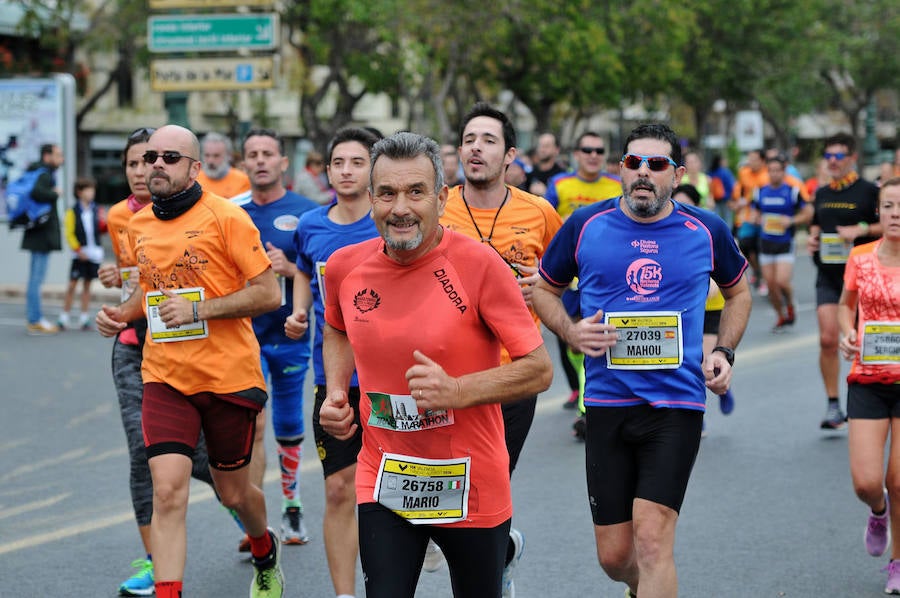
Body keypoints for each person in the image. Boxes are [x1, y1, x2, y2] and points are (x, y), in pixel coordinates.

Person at [318, 131, 552, 598]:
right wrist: (337, 392)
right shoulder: (345, 267)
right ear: (370, 199)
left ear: (441, 198)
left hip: (470, 479)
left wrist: (457, 392)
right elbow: (338, 327)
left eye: (415, 192)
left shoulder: (480, 265)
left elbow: (539, 368)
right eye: (386, 193)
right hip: (385, 474)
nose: (399, 207)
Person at [533, 123, 751, 598]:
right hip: (607, 406)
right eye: (634, 163)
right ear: (621, 170)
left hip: (677, 407)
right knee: (615, 557)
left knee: (653, 541)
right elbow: (544, 290)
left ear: (677, 173)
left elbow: (738, 295)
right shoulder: (585, 224)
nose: (644, 173)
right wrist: (570, 330)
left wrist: (722, 351)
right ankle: (638, 588)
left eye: (656, 164)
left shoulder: (705, 229)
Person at [95, 124, 285, 598]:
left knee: (234, 494)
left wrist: (200, 309)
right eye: (151, 156)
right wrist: (120, 313)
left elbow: (267, 293)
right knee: (168, 491)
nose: (156, 164)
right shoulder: (138, 224)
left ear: (195, 167)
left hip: (227, 377)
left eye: (170, 157)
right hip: (164, 375)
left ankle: (264, 549)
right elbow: (147, 290)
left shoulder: (228, 218)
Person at [96, 126, 228, 598]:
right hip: (139, 348)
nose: (141, 170)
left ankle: (237, 501)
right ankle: (157, 563)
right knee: (144, 454)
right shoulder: (121, 217)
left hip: (198, 351)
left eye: (149, 160)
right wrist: (116, 291)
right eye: (134, 162)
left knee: (194, 461)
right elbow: (137, 282)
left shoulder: (206, 211)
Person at [440, 102, 562, 597]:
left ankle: (494, 569)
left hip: (513, 373)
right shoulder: (437, 205)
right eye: (469, 138)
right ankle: (494, 552)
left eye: (488, 140)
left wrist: (547, 288)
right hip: (445, 376)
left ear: (509, 154)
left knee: (490, 484)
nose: (476, 147)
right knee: (450, 486)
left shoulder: (538, 211)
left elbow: (568, 274)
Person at [285, 126, 381, 598]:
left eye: (357, 162)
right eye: (338, 163)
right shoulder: (311, 225)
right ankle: (345, 594)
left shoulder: (391, 224)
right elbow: (304, 270)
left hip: (392, 380)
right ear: (327, 172)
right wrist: (300, 310)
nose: (346, 171)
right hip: (336, 378)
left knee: (392, 489)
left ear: (373, 169)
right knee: (341, 488)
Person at [235, 128, 318, 548]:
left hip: (289, 332)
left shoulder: (308, 212)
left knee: (287, 421)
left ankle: (292, 505)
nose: (261, 160)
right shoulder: (230, 211)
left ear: (284, 163)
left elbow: (324, 274)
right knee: (253, 420)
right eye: (253, 154)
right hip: (242, 336)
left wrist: (289, 270)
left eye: (269, 153)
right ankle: (256, 520)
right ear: (244, 163)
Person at [837, 177, 900, 594]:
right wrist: (846, 333)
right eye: (890, 206)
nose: (897, 214)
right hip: (867, 377)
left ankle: (897, 563)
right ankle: (878, 511)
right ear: (879, 212)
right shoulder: (860, 256)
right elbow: (846, 307)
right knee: (867, 482)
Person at [808, 132, 881, 430]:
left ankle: (871, 398)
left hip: (862, 278)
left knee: (863, 341)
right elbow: (816, 222)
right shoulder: (822, 192)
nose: (833, 161)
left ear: (852, 157)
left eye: (839, 156)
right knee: (828, 339)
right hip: (827, 275)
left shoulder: (868, 191)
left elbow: (887, 223)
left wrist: (860, 229)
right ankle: (833, 404)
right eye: (828, 156)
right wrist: (813, 238)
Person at [671, 183, 736, 422]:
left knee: (705, 364)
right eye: (677, 203)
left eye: (687, 204)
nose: (681, 209)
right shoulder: (663, 234)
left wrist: (711, 286)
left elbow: (731, 275)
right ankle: (699, 406)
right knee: (686, 364)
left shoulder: (710, 230)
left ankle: (707, 405)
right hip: (683, 314)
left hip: (711, 310)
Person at [750, 153, 813, 332]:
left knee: (782, 281)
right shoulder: (760, 191)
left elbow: (808, 212)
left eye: (777, 170)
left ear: (784, 171)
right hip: (766, 242)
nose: (774, 174)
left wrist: (791, 221)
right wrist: (755, 218)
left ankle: (790, 304)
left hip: (785, 242)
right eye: (771, 170)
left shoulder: (792, 191)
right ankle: (780, 316)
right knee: (770, 285)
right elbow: (753, 212)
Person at [21, 142, 64, 335]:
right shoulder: (43, 174)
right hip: (41, 234)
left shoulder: (37, 172)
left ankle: (34, 318)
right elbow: (37, 193)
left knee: (34, 279)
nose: (60, 159)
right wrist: (54, 193)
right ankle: (35, 319)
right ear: (47, 156)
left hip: (35, 232)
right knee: (36, 280)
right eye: (57, 155)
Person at [59, 176, 104, 331]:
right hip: (79, 254)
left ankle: (84, 317)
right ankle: (64, 316)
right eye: (88, 190)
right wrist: (78, 250)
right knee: (72, 285)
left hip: (94, 253)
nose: (91, 193)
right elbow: (69, 234)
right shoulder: (72, 212)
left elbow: (101, 229)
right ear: (79, 192)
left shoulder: (96, 209)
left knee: (87, 285)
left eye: (93, 190)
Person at [545, 131, 621, 219]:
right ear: (576, 154)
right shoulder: (558, 182)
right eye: (587, 150)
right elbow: (546, 220)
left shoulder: (619, 184)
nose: (594, 155)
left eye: (599, 151)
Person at [195, 132, 251, 199]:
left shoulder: (243, 181)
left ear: (229, 156)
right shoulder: (194, 180)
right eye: (207, 155)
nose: (210, 161)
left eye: (216, 156)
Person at [523, 132, 566, 197]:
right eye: (540, 145)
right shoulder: (529, 172)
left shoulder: (562, 176)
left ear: (557, 150)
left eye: (546, 146)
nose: (542, 149)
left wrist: (546, 193)